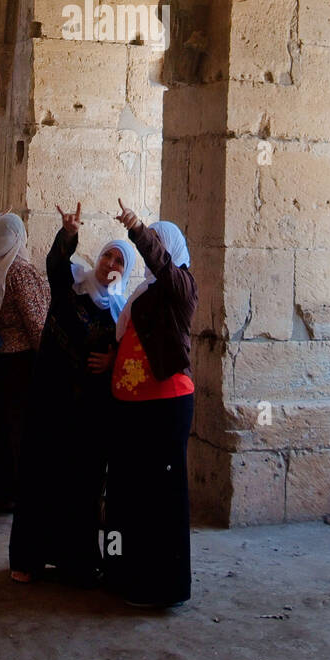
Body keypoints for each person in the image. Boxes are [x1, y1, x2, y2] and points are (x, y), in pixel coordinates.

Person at [9, 201, 136, 586]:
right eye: (107, 256)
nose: (110, 264)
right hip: (52, 402)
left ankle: (76, 561)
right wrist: (68, 234)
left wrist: (113, 360)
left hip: (90, 413)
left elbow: (133, 352)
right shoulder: (73, 290)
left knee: (82, 487)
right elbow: (54, 266)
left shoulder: (120, 311)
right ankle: (27, 560)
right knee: (40, 479)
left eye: (119, 261)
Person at [104, 199, 197, 608]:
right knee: (128, 491)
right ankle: (125, 576)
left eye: (158, 245)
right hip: (130, 404)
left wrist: (140, 231)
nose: (150, 253)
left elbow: (163, 267)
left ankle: (162, 587)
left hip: (165, 404)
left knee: (161, 495)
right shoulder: (142, 292)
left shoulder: (182, 287)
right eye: (149, 243)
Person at [0, 212, 50, 511]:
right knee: (17, 428)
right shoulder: (18, 271)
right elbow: (36, 322)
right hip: (19, 363)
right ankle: (14, 492)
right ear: (19, 237)